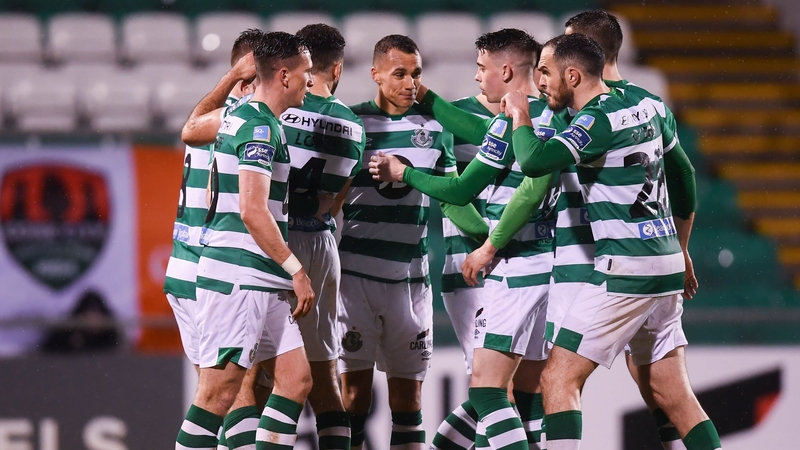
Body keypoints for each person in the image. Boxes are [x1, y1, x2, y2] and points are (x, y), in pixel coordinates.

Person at [501, 33, 721, 450]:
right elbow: (684, 174)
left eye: (546, 72)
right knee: (672, 392)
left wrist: (519, 116)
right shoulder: (647, 104)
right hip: (665, 261)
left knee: (558, 377)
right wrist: (682, 246)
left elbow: (533, 161)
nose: (540, 81)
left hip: (626, 269)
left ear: (573, 73)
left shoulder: (596, 120)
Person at [368, 29, 567, 450]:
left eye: (481, 68)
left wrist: (405, 174)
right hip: (549, 265)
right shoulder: (560, 118)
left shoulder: (514, 123)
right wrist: (427, 97)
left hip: (506, 268)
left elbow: (459, 192)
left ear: (506, 71)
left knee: (489, 391)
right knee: (523, 391)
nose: (477, 77)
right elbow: (479, 126)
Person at [176, 31, 316, 450]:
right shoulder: (257, 125)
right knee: (218, 395)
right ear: (285, 76)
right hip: (240, 276)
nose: (311, 82)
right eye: (307, 73)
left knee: (296, 380)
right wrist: (297, 269)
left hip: (260, 275)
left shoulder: (244, 114)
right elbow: (252, 211)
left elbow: (191, 127)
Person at [337, 34, 456, 450]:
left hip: (410, 281)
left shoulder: (437, 130)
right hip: (354, 279)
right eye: (399, 73)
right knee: (354, 398)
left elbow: (452, 195)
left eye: (416, 74)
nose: (410, 83)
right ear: (375, 75)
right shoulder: (349, 124)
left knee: (409, 401)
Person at [164, 29, 269, 450]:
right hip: (216, 272)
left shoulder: (207, 117)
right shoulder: (245, 124)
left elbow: (191, 125)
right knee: (236, 392)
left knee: (215, 395)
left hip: (183, 268)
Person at [280, 23, 366, 450]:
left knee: (261, 382)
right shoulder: (353, 126)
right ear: (338, 68)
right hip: (322, 244)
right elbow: (336, 203)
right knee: (324, 377)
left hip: (278, 246)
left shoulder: (276, 112)